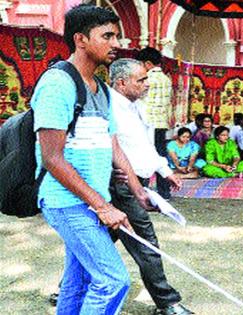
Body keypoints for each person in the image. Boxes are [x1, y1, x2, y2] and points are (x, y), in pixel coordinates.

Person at [31, 4, 151, 313]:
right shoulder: (58, 84)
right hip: (67, 202)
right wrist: (102, 206)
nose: (116, 44)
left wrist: (138, 191)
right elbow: (52, 158)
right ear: (81, 39)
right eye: (107, 36)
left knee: (78, 280)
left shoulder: (103, 90)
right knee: (113, 281)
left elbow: (113, 146)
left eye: (117, 36)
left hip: (90, 203)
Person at [109, 58, 193, 315]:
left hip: (140, 181)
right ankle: (167, 302)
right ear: (122, 83)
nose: (148, 85)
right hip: (123, 185)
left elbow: (145, 147)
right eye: (142, 80)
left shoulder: (137, 106)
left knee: (103, 237)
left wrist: (165, 172)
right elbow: (108, 149)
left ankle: (66, 286)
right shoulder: (109, 107)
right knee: (146, 242)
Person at [136, 47, 172, 199]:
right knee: (161, 155)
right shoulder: (166, 79)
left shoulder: (147, 79)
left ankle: (141, 189)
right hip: (161, 122)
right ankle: (164, 191)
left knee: (144, 155)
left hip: (147, 123)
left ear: (148, 64)